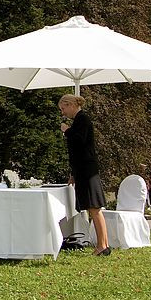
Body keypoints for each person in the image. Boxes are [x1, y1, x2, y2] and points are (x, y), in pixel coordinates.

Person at [60, 94, 111, 256]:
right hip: (83, 170)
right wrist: (73, 173)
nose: (63, 112)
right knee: (93, 208)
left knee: (94, 208)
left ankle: (102, 246)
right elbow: (77, 150)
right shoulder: (79, 120)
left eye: (63, 108)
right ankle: (104, 244)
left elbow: (80, 142)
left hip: (87, 170)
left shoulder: (82, 119)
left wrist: (67, 131)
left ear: (70, 105)